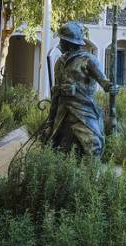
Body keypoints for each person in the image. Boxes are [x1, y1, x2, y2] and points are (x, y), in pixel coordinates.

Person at [43, 22, 116, 157]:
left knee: (93, 145)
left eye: (62, 40)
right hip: (62, 110)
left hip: (83, 109)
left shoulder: (88, 60)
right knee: (60, 147)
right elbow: (55, 92)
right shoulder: (60, 61)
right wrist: (50, 121)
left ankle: (92, 175)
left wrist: (110, 87)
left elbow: (103, 81)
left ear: (69, 42)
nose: (60, 43)